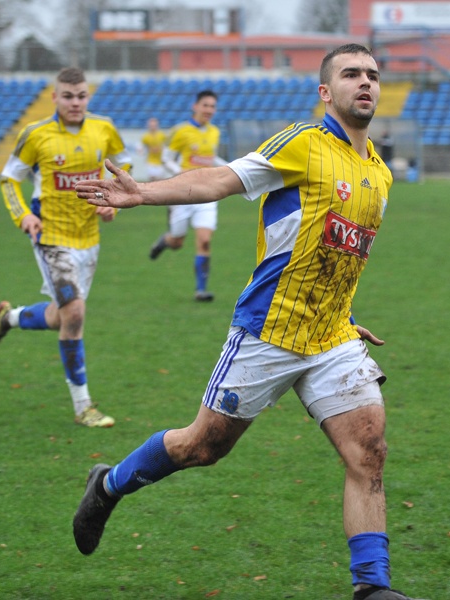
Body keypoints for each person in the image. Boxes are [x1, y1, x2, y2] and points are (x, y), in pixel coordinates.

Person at [72, 44, 419, 600]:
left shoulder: (379, 172)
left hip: (331, 336)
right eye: (351, 74)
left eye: (374, 75)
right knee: (203, 446)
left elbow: (335, 251)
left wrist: (345, 314)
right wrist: (144, 193)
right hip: (270, 330)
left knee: (369, 449)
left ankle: (373, 588)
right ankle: (108, 486)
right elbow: (221, 181)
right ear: (326, 92)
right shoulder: (304, 144)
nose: (366, 83)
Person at [0, 67, 132, 428]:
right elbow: (8, 179)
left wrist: (112, 200)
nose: (75, 102)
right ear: (55, 97)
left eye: (81, 95)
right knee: (76, 313)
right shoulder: (36, 135)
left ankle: (10, 318)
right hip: (50, 237)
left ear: (87, 97)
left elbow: (122, 164)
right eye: (68, 96)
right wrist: (23, 217)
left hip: (89, 239)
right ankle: (84, 407)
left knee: (61, 316)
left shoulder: (104, 128)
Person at [147, 90, 224, 302]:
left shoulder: (215, 132)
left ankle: (201, 290)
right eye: (205, 105)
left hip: (208, 193)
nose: (209, 110)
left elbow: (211, 158)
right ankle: (165, 241)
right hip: (184, 193)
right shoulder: (180, 131)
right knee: (177, 241)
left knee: (205, 240)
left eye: (212, 106)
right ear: (196, 106)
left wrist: (231, 168)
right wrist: (181, 173)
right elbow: (166, 159)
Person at [139, 117, 168, 182]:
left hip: (160, 162)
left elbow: (167, 146)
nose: (153, 127)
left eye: (154, 125)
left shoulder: (162, 135)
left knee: (161, 181)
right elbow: (141, 147)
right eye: (151, 125)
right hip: (150, 161)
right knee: (152, 180)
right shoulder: (146, 136)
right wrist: (141, 151)